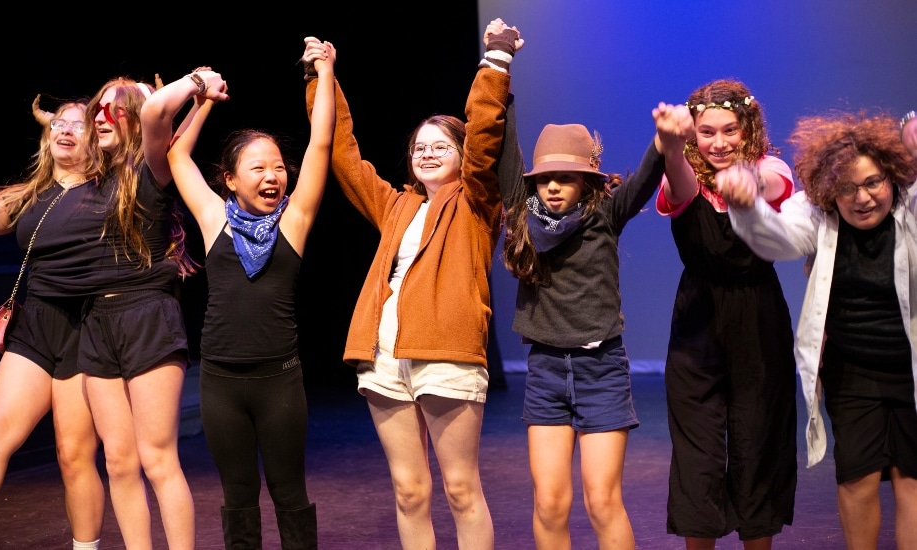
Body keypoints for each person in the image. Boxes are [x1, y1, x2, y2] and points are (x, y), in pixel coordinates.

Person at [303, 18, 521, 549]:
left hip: (447, 352)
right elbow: (342, 154)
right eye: (419, 147)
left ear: (460, 154)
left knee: (461, 488)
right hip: (383, 354)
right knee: (407, 489)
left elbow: (485, 134)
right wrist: (320, 77)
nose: (426, 153)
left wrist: (495, 61)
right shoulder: (397, 206)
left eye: (440, 146)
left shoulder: (476, 202)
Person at [142, 38, 335, 550]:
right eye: (258, 168)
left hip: (280, 383)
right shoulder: (213, 220)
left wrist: (325, 71)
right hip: (222, 384)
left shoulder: (294, 220)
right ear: (229, 180)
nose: (273, 175)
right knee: (238, 496)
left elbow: (320, 143)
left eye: (277, 166)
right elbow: (176, 152)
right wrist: (204, 100)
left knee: (290, 494)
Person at [498, 90, 693, 546]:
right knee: (549, 502)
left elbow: (647, 176)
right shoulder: (524, 216)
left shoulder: (606, 213)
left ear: (586, 181)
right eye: (545, 178)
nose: (552, 187)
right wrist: (500, 75)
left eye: (565, 178)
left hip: (600, 369)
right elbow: (508, 153)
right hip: (546, 370)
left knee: (602, 501)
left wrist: (665, 139)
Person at [717, 110, 917, 550]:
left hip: (912, 370)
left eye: (872, 183)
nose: (862, 198)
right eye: (847, 188)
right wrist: (746, 205)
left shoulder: (910, 207)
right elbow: (774, 239)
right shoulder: (817, 213)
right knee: (856, 477)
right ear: (830, 190)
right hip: (854, 371)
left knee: (912, 480)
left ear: (892, 178)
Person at [0, 102, 105, 550]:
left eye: (80, 124)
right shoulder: (29, 196)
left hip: (87, 329)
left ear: (98, 136)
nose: (66, 131)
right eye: (60, 124)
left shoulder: (112, 188)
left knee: (73, 456)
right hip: (34, 328)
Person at [78, 74, 223, 550]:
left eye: (112, 108)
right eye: (96, 108)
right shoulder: (87, 181)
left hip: (147, 318)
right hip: (97, 322)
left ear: (134, 117)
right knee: (118, 461)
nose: (99, 115)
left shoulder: (153, 167)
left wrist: (198, 83)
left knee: (157, 458)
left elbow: (159, 112)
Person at [656, 79, 799, 550]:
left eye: (730, 130)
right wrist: (673, 148)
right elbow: (678, 180)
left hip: (758, 318)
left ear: (748, 127)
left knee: (757, 445)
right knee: (698, 456)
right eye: (706, 132)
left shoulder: (767, 165)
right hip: (697, 321)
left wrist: (748, 182)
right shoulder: (683, 173)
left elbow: (777, 179)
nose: (718, 142)